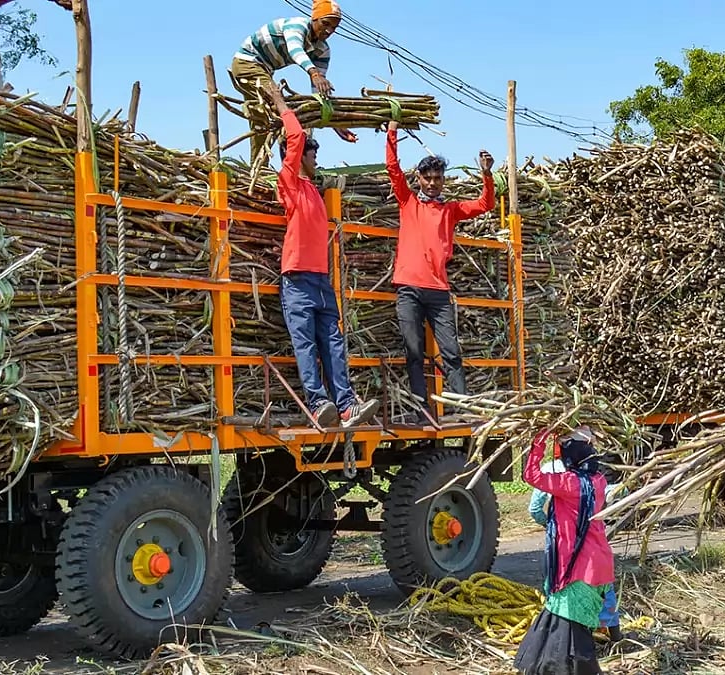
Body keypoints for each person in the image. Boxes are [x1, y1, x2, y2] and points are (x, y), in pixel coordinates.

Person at [262, 79, 379, 428]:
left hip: (321, 279)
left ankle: (346, 406)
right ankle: (318, 405)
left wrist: (336, 127)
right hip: (296, 278)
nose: (316, 159)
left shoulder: (313, 189)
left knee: (333, 343)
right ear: (296, 158)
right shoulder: (290, 183)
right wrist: (280, 101)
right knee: (305, 345)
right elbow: (295, 138)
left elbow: (304, 137)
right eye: (313, 154)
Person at [385, 119, 495, 422]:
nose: (433, 183)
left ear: (443, 181)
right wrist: (392, 132)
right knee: (414, 351)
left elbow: (486, 204)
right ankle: (420, 410)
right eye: (428, 177)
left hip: (438, 290)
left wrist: (486, 173)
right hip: (408, 287)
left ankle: (461, 409)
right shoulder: (408, 202)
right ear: (419, 178)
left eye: (438, 178)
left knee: (451, 351)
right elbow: (393, 170)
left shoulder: (451, 209)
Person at [514, 426, 616, 675]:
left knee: (571, 627)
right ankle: (538, 665)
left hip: (579, 566)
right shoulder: (598, 481)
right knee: (558, 616)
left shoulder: (569, 484)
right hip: (596, 561)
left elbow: (531, 476)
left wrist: (539, 439)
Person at [229, 0, 357, 161]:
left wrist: (336, 125)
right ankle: (262, 166)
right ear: (314, 18)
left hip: (265, 70)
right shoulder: (296, 26)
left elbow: (319, 93)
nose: (329, 30)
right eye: (325, 23)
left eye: (333, 27)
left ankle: (272, 165)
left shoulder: (322, 50)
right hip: (247, 63)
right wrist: (314, 73)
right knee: (273, 110)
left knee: (270, 117)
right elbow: (295, 49)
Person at [528, 449, 625, 645]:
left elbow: (534, 507)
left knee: (559, 590)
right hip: (598, 548)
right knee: (605, 590)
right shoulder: (597, 480)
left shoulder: (559, 476)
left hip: (565, 548)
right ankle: (615, 636)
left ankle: (568, 641)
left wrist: (552, 525)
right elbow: (616, 492)